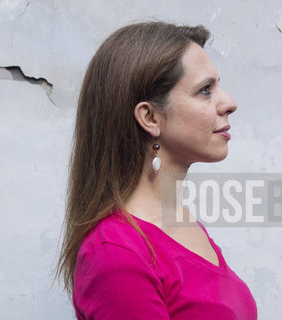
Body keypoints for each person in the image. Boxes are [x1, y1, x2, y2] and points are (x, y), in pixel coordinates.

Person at [55, 21, 258, 319]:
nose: (229, 103)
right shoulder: (116, 253)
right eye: (205, 90)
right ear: (150, 117)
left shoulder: (181, 223)